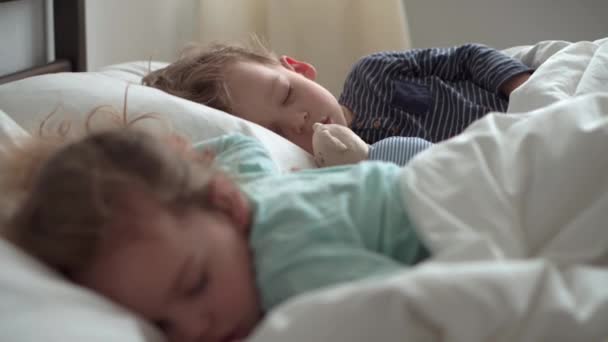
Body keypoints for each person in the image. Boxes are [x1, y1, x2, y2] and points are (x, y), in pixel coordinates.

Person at [3, 127, 430, 342]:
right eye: (162, 326)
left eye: (195, 283)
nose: (192, 331)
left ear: (228, 205)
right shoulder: (238, 192)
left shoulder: (290, 269)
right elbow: (240, 145)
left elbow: (414, 310)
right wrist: (186, 161)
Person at [143, 40, 532, 153]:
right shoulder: (360, 166)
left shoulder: (372, 74)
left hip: (525, 102)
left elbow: (467, 58)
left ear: (298, 69)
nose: (298, 120)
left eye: (286, 94)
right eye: (278, 133)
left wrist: (528, 90)